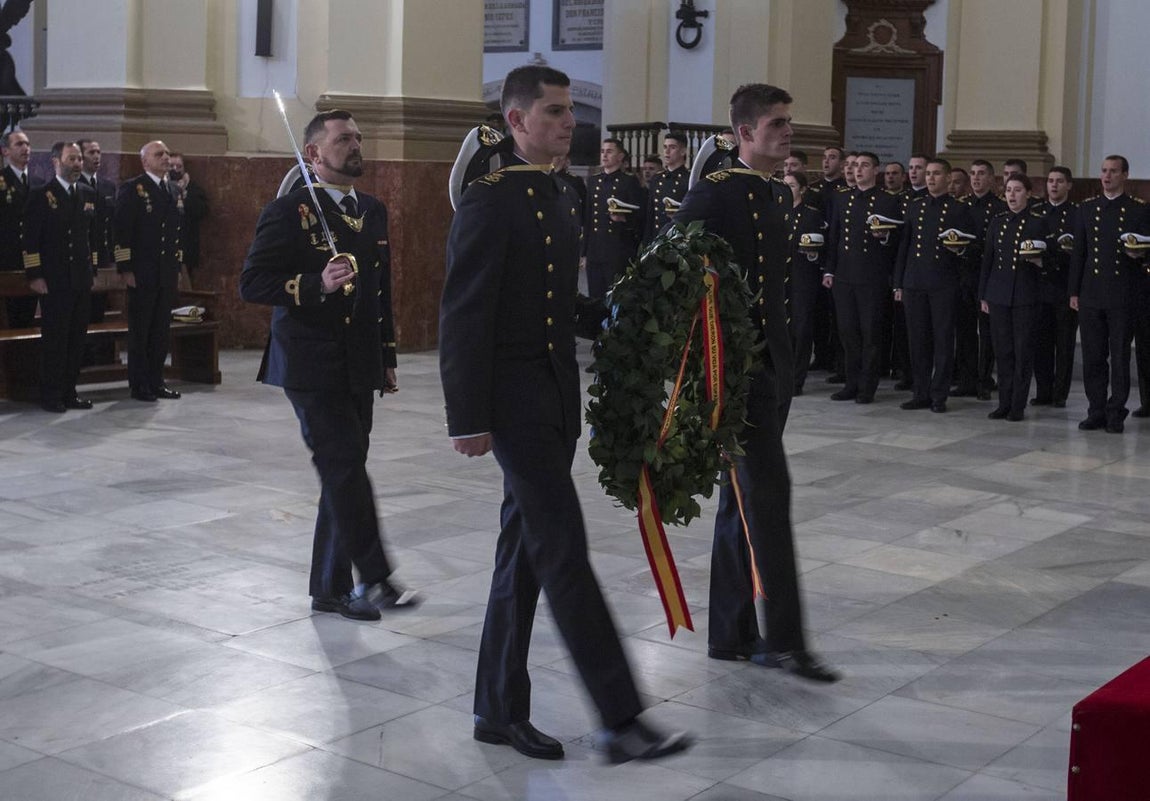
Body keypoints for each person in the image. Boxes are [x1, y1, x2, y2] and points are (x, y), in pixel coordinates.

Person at [439, 65, 690, 765]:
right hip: (513, 404)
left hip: (554, 397)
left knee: (521, 556)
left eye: (570, 111)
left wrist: (620, 317)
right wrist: (466, 415)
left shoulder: (561, 191)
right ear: (516, 122)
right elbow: (464, 314)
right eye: (551, 112)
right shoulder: (490, 201)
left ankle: (497, 706)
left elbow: (553, 304)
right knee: (563, 551)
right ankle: (620, 716)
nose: (566, 122)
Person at [674, 83, 839, 683]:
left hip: (774, 366)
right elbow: (664, 262)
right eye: (776, 124)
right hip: (734, 372)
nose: (788, 132)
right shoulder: (714, 193)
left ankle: (731, 632)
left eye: (789, 122)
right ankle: (787, 640)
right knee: (769, 496)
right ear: (744, 133)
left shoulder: (775, 193)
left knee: (739, 501)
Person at [240, 109, 417, 620]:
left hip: (359, 361)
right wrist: (316, 284)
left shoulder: (374, 210)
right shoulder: (289, 211)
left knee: (346, 474)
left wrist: (386, 357)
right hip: (309, 361)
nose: (356, 144)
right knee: (343, 467)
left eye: (359, 137)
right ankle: (376, 578)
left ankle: (329, 587)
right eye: (343, 139)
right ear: (314, 154)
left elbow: (380, 292)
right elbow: (252, 284)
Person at [1069, 155, 1148, 433]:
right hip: (1091, 293)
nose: (1107, 176)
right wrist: (1073, 291)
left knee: (1120, 357)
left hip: (1123, 294)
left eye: (1113, 171)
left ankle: (1116, 412)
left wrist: (1139, 256)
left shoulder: (1138, 210)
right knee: (1093, 356)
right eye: (1104, 171)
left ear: (1125, 175)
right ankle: (1096, 410)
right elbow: (1079, 253)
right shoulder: (1087, 209)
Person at [894, 158, 978, 413]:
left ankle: (938, 394)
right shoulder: (915, 205)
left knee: (942, 340)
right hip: (915, 281)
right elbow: (904, 246)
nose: (930, 178)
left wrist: (961, 252)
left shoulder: (959, 209)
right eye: (928, 174)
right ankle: (920, 392)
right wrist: (899, 282)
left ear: (948, 177)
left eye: (936, 174)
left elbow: (972, 247)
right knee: (917, 340)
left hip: (944, 282)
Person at [21, 142, 98, 413]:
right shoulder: (42, 195)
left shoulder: (87, 193)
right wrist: (35, 274)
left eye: (79, 159)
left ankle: (70, 391)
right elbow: (31, 240)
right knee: (56, 339)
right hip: (54, 280)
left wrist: (93, 271)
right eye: (71, 159)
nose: (77, 164)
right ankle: (51, 393)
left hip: (80, 279)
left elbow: (92, 239)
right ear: (56, 161)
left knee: (77, 338)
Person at [822, 151, 902, 404]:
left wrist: (886, 238)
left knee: (870, 334)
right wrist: (829, 269)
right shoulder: (842, 198)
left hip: (872, 276)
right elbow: (834, 236)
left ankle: (867, 387)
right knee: (848, 333)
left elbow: (899, 241)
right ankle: (851, 382)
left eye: (865, 166)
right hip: (844, 275)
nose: (858, 170)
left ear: (875, 171)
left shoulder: (887, 200)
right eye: (855, 165)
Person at [113, 141, 185, 402]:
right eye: (159, 154)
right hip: (141, 271)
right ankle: (139, 383)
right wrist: (125, 268)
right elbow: (121, 230)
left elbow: (176, 234)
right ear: (145, 161)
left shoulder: (173, 189)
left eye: (167, 153)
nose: (165, 157)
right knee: (141, 331)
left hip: (164, 271)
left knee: (160, 331)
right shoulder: (134, 189)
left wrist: (176, 267)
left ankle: (156, 381)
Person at [979, 174, 1046, 421]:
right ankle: (1003, 403)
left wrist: (1041, 261)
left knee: (1022, 352)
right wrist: (984, 294)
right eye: (1008, 190)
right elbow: (988, 260)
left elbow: (1054, 259)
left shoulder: (1039, 222)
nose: (1012, 195)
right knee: (1003, 352)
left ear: (1028, 193)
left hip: (1026, 295)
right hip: (998, 294)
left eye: (1018, 190)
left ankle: (1017, 405)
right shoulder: (998, 222)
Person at [955, 159, 1006, 399]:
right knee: (964, 331)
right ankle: (966, 379)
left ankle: (984, 379)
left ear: (992, 179)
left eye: (981, 174)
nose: (976, 178)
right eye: (973, 173)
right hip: (963, 275)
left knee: (987, 333)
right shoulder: (960, 205)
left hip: (988, 276)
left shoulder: (999, 208)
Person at [1031, 166, 1078, 408]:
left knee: (1065, 344)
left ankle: (1060, 393)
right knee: (1041, 343)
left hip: (1064, 288)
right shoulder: (1036, 211)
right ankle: (1043, 391)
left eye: (1059, 181)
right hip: (1039, 287)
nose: (1054, 185)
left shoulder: (1077, 214)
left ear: (1069, 185)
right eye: (1050, 181)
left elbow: (1079, 254)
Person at [583, 138, 644, 298]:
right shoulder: (594, 181)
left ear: (620, 156)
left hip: (618, 248)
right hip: (595, 250)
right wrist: (584, 252)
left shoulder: (628, 182)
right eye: (603, 151)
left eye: (609, 151)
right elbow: (589, 218)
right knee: (594, 296)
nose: (604, 155)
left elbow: (640, 214)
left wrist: (625, 220)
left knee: (616, 297)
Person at [784, 171, 826, 396]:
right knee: (784, 328)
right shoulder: (776, 213)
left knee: (801, 329)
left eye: (791, 185)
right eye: (784, 185)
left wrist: (811, 252)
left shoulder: (811, 215)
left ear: (802, 189)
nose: (787, 189)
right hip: (781, 276)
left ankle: (797, 379)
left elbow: (819, 247)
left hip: (803, 276)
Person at [1, 130, 36, 327]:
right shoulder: (2, 180)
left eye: (28, 144)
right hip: (7, 259)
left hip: (31, 261)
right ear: (5, 151)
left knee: (27, 319)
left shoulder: (38, 182)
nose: (26, 148)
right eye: (19, 144)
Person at [168, 153, 210, 282]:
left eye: (179, 166)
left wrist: (185, 197)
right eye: (171, 165)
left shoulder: (193, 189)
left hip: (186, 246)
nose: (175, 169)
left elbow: (202, 211)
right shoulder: (161, 188)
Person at [642, 130, 690, 244]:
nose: (667, 151)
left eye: (672, 147)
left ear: (683, 151)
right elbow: (651, 216)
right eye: (665, 147)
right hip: (657, 238)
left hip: (678, 241)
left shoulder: (688, 179)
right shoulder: (657, 179)